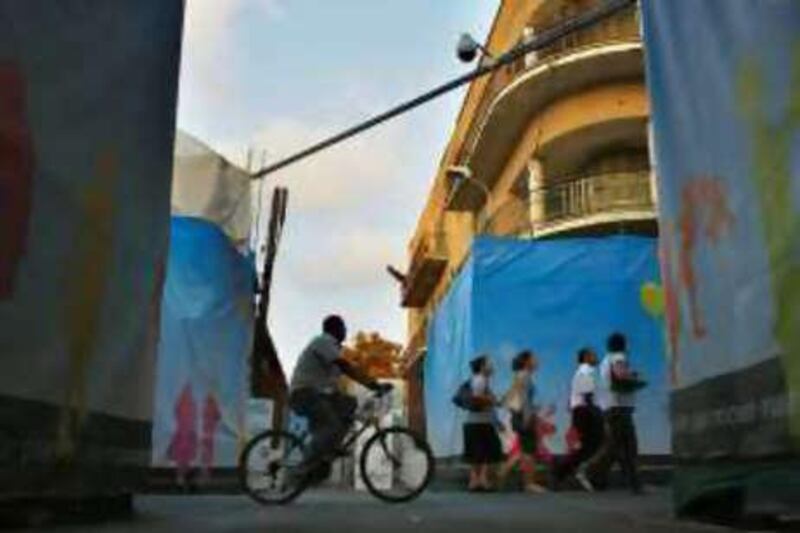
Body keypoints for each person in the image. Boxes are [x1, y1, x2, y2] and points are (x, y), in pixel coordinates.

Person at [289, 315, 391, 481]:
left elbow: (336, 383)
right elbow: (346, 367)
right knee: (331, 425)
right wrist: (373, 384)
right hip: (304, 393)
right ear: (334, 329)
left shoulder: (333, 349)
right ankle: (302, 466)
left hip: (318, 394)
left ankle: (330, 451)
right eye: (343, 328)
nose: (345, 332)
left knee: (349, 404)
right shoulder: (323, 341)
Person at [591, 332, 643, 493]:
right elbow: (621, 375)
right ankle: (591, 472)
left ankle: (633, 484)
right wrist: (635, 378)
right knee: (621, 446)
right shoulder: (618, 357)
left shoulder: (605, 360)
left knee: (621, 447)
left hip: (612, 407)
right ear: (622, 344)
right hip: (620, 407)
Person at [553, 348, 604, 492]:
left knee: (587, 445)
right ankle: (562, 470)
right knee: (591, 443)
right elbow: (587, 394)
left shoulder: (581, 371)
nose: (596, 357)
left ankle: (563, 470)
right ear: (587, 357)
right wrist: (595, 412)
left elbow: (572, 399)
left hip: (581, 411)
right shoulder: (586, 370)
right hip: (585, 411)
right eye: (594, 355)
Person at [500, 351, 547, 493]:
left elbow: (512, 397)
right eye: (534, 359)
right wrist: (528, 418)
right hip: (523, 416)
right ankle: (529, 483)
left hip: (519, 415)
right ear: (527, 362)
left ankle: (501, 473)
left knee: (524, 449)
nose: (537, 361)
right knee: (529, 450)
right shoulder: (525, 376)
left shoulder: (519, 376)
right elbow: (525, 400)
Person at [463, 355, 504, 492]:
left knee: (478, 453)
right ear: (482, 367)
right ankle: (481, 480)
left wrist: (496, 420)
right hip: (480, 423)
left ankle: (476, 481)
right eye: (489, 363)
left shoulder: (479, 380)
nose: (492, 366)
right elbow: (477, 398)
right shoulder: (480, 380)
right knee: (486, 451)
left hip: (477, 422)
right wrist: (493, 400)